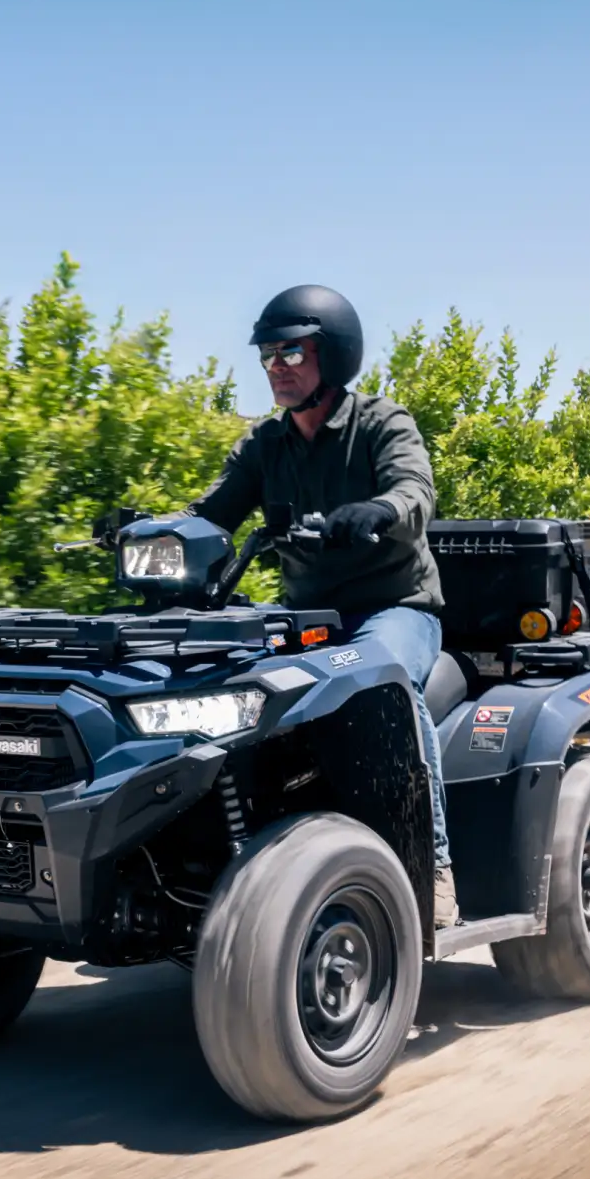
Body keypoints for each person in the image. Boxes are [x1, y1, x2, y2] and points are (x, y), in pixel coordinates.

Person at [189, 285, 451, 877]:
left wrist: (379, 511)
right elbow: (210, 515)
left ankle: (431, 866)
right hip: (304, 620)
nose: (275, 368)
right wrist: (162, 535)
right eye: (268, 356)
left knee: (382, 684)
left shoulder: (383, 422)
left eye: (290, 353)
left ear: (330, 355)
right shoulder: (265, 444)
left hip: (393, 611)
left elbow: (415, 492)